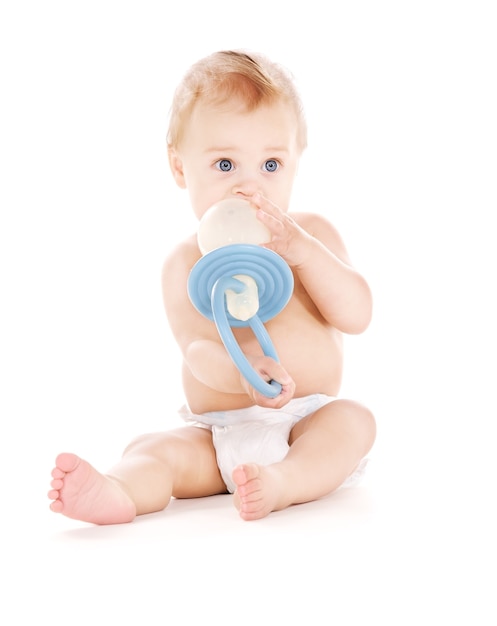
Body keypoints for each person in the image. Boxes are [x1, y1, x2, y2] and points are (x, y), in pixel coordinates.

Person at [48, 50, 376, 523]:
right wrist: (241, 375)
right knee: (155, 449)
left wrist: (302, 252)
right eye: (225, 165)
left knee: (354, 421)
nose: (251, 187)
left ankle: (286, 481)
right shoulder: (184, 263)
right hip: (219, 434)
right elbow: (197, 349)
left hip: (305, 423)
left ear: (296, 163)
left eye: (271, 164)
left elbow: (358, 314)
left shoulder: (313, 237)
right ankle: (121, 488)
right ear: (180, 168)